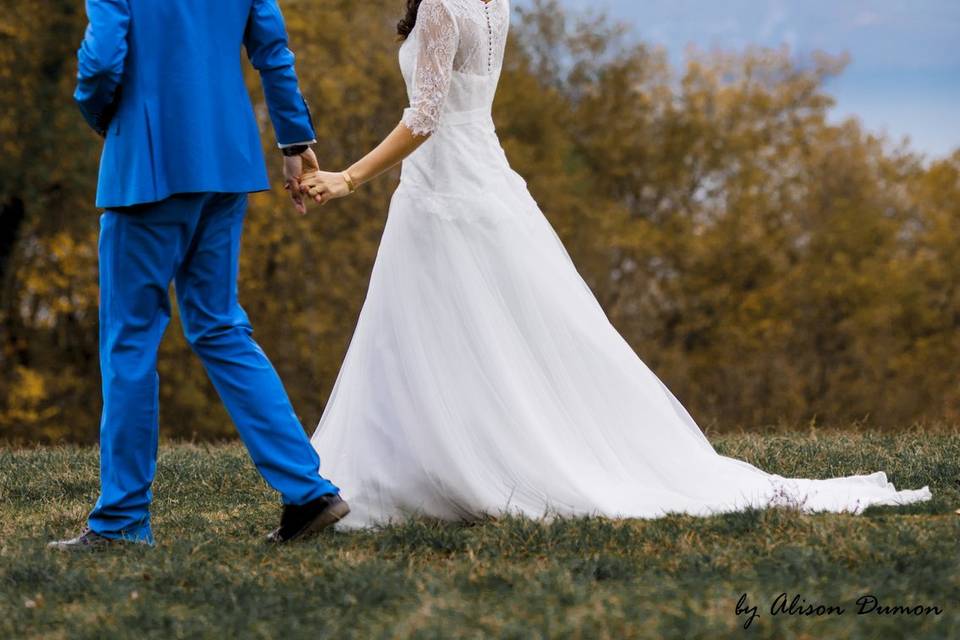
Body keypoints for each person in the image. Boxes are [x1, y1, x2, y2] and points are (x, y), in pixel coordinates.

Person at [298, 0, 931, 528]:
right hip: (484, 176)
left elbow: (426, 116)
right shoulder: (494, 2)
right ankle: (440, 453)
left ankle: (451, 463)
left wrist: (349, 178)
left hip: (445, 188)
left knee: (436, 325)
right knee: (480, 326)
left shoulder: (442, 2)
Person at [49, 0, 348, 550]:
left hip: (146, 166)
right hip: (226, 161)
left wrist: (102, 119)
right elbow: (272, 51)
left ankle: (119, 522)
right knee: (218, 325)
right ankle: (308, 492)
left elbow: (101, 61)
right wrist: (293, 140)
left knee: (129, 341)